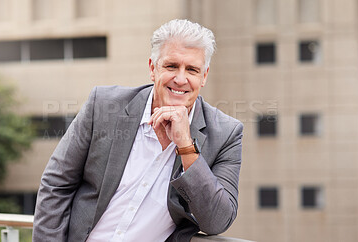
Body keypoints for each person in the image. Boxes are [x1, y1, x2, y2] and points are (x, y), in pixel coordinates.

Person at [33, 19, 243, 242]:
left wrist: (186, 147)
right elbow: (56, 184)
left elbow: (217, 221)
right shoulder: (102, 106)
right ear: (153, 68)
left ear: (204, 76)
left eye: (191, 69)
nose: (180, 79)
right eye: (171, 66)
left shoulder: (226, 134)